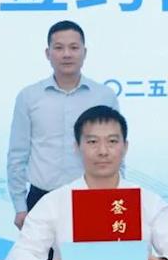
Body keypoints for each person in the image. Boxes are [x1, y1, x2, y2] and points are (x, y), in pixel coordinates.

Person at [5, 106, 168, 260]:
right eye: (92, 142)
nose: (103, 151)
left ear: (125, 147)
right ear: (77, 147)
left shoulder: (148, 200)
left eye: (112, 141)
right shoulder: (54, 202)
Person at [7, 20, 118, 232]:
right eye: (59, 48)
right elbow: (17, 155)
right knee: (43, 255)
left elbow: (115, 152)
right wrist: (20, 206)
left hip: (93, 197)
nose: (67, 54)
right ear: (47, 53)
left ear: (84, 52)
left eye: (74, 47)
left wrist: (117, 196)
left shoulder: (104, 96)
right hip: (42, 198)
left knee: (94, 254)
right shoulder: (29, 97)